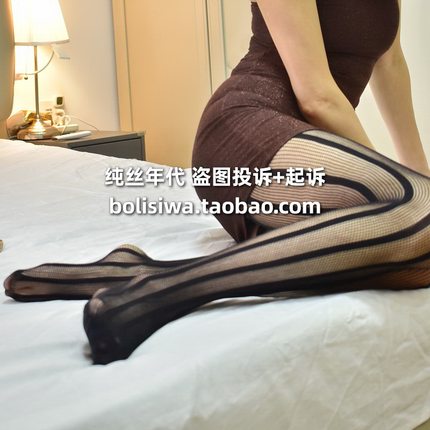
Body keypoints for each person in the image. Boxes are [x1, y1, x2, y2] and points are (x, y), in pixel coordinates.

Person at [4, 0, 430, 364]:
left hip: (305, 164)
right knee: (419, 216)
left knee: (419, 244)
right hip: (246, 133)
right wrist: (409, 190)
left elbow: (391, 64)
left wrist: (419, 172)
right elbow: (316, 96)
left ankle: (145, 271)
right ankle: (166, 290)